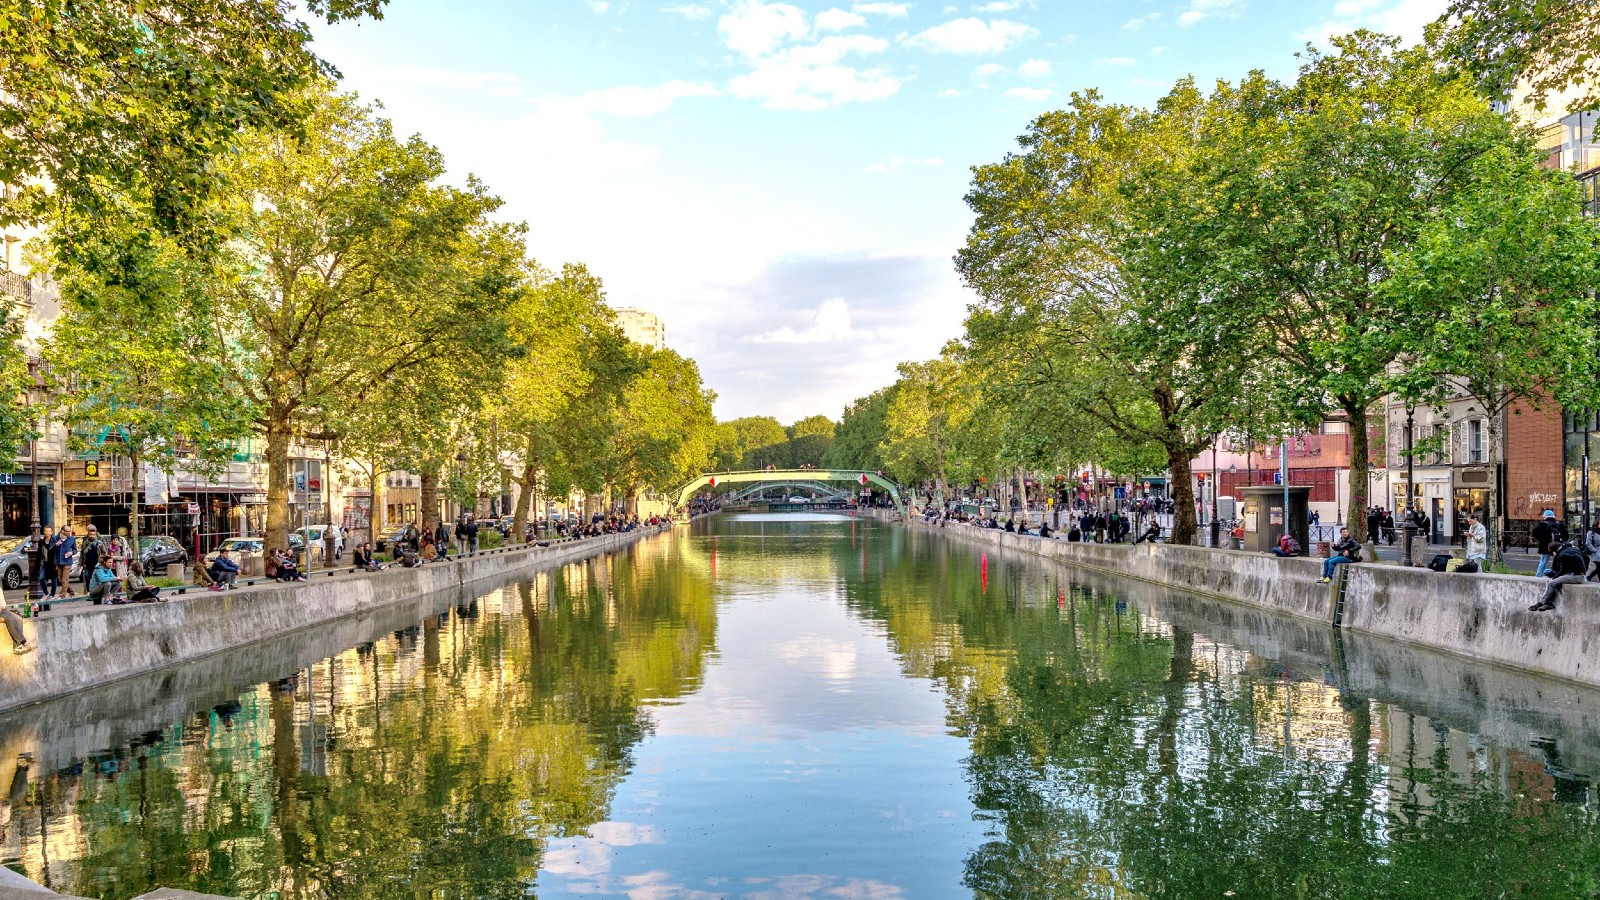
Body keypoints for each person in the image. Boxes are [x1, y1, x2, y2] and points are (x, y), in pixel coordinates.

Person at [1532, 540, 1588, 612]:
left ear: (1554, 551)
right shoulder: (1574, 549)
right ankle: (1548, 603)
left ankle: (1541, 603)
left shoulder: (1562, 555)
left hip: (1576, 576)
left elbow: (1563, 570)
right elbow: (1587, 558)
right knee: (1552, 582)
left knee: (1551, 583)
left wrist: (1554, 576)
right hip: (1579, 574)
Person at [52, 526, 76, 599]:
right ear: (62, 531)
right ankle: (71, 591)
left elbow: (75, 550)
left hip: (67, 561)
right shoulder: (55, 538)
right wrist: (56, 545)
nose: (69, 533)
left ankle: (62, 595)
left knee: (64, 579)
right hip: (58, 561)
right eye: (67, 531)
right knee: (60, 579)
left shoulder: (72, 539)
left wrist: (71, 553)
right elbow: (51, 549)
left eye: (69, 531)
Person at [1534, 512, 1558, 577]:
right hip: (1558, 545)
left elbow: (1535, 533)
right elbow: (1565, 535)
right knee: (1557, 561)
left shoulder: (1542, 524)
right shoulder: (1558, 524)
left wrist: (1542, 540)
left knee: (1543, 561)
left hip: (1545, 545)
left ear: (1545, 516)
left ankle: (1539, 575)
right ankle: (1556, 575)